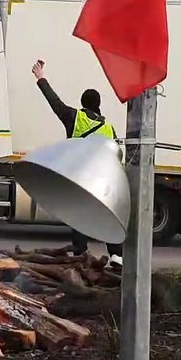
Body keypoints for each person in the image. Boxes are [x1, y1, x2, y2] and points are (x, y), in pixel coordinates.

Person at [31, 59, 123, 265]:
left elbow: (54, 102)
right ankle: (116, 255)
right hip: (102, 181)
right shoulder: (108, 127)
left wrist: (41, 78)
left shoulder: (75, 117)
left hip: (80, 179)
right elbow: (117, 154)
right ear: (98, 105)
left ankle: (81, 255)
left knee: (80, 217)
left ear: (83, 103)